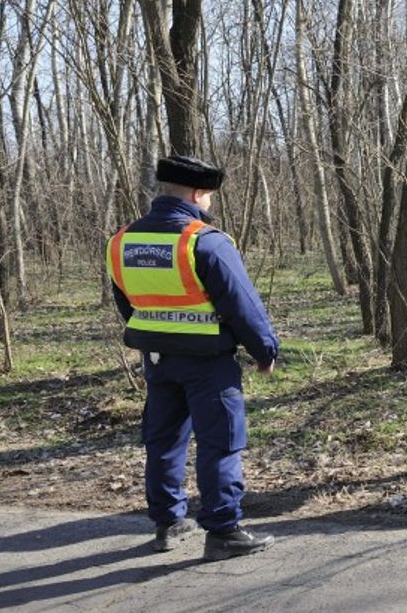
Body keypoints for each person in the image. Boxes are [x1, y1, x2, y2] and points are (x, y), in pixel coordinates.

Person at [107, 155, 279, 561]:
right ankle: (223, 531)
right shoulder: (204, 241)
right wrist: (265, 350)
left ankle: (168, 523)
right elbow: (242, 305)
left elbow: (126, 303)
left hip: (157, 359)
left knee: (163, 440)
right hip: (208, 362)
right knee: (220, 443)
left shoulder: (122, 241)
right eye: (210, 196)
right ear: (199, 193)